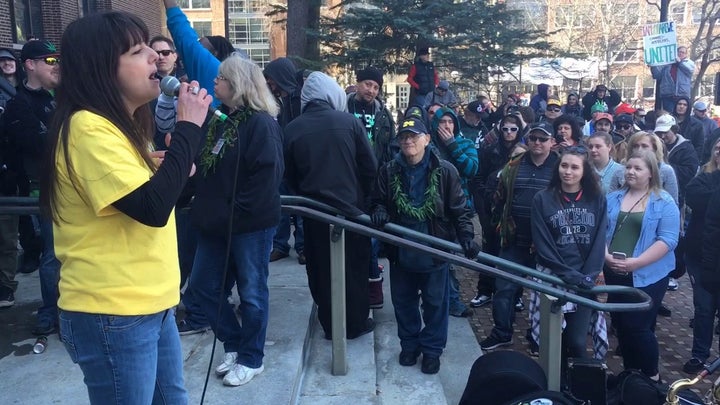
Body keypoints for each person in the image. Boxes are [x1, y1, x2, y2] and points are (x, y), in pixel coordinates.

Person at [43, 11, 210, 403]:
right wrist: (187, 127)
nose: (155, 57)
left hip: (153, 303)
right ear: (101, 68)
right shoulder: (87, 128)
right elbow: (151, 210)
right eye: (138, 51)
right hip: (113, 311)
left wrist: (174, 172)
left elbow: (159, 202)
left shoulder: (123, 127)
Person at [187, 55, 284, 387]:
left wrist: (232, 214)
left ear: (238, 84)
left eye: (221, 78)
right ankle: (234, 343)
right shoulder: (222, 119)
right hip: (215, 223)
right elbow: (208, 168)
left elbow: (265, 181)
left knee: (252, 293)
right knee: (201, 287)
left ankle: (252, 357)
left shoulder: (261, 123)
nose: (215, 83)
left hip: (248, 227)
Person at [370, 116, 479, 375]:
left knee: (434, 304)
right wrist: (379, 210)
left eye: (414, 136)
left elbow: (459, 210)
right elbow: (377, 200)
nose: (408, 141)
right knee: (404, 302)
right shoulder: (388, 170)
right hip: (401, 252)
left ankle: (431, 350)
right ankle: (409, 345)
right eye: (404, 137)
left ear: (427, 140)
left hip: (433, 252)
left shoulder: (445, 171)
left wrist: (466, 236)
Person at [284, 71, 378, 340]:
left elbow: (288, 175)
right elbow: (369, 167)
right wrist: (367, 201)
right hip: (352, 212)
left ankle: (330, 323)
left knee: (320, 268)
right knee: (355, 268)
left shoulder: (292, 128)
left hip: (313, 213)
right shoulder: (349, 122)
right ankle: (356, 322)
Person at [604, 150, 680, 382]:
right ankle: (631, 373)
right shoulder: (613, 198)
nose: (630, 172)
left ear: (651, 174)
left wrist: (636, 263)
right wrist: (606, 258)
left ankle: (651, 377)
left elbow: (668, 240)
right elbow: (599, 232)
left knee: (638, 327)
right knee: (621, 325)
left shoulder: (664, 201)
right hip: (614, 271)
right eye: (628, 167)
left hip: (648, 275)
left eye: (637, 168)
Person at [482, 122, 558, 350]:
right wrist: (498, 225)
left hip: (546, 243)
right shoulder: (514, 165)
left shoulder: (561, 167)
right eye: (533, 138)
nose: (537, 142)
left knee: (544, 294)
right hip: (514, 239)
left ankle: (538, 336)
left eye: (543, 139)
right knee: (504, 287)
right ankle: (502, 332)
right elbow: (498, 196)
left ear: (552, 142)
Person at [530, 146, 607, 369]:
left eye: (575, 167)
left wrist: (588, 276)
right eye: (564, 165)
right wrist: (569, 275)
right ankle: (557, 386)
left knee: (576, 340)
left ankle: (580, 389)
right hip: (554, 277)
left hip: (585, 280)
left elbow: (599, 240)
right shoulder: (543, 199)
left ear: (585, 171)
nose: (568, 172)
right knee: (554, 338)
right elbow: (543, 245)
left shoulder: (597, 199)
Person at [4, 39, 62, 334]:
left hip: (68, 187)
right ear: (30, 65)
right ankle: (51, 311)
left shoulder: (57, 97)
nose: (56, 65)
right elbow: (39, 146)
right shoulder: (18, 105)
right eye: (50, 61)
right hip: (44, 190)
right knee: (52, 254)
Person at [347, 65, 396, 309]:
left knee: (370, 235)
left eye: (376, 87)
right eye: (368, 84)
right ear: (358, 83)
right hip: (347, 179)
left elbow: (390, 148)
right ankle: (360, 283)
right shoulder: (343, 108)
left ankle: (373, 285)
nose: (372, 90)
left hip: (374, 180)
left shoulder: (383, 114)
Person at [469, 114, 524, 308]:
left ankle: (515, 294)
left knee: (513, 255)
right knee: (489, 250)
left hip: (513, 212)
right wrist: (486, 198)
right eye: (505, 129)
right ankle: (485, 290)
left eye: (513, 129)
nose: (509, 133)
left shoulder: (524, 153)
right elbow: (478, 178)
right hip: (491, 210)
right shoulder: (489, 150)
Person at [430, 106, 479, 318]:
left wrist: (452, 146)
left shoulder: (466, 143)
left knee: (449, 255)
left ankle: (453, 299)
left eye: (451, 122)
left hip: (458, 208)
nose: (447, 126)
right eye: (443, 122)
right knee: (439, 256)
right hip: (432, 209)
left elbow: (471, 169)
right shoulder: (428, 145)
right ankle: (440, 299)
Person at [683, 137, 720, 374]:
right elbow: (697, 200)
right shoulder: (702, 178)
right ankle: (699, 355)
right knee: (704, 308)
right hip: (700, 254)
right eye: (718, 148)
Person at [264, 57, 305, 264]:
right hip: (281, 158)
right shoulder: (275, 99)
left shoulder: (301, 97)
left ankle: (302, 246)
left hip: (299, 158)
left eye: (272, 82)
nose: (271, 86)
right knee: (280, 203)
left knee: (300, 205)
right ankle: (280, 244)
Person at [609, 131, 679, 204]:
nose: (639, 149)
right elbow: (610, 201)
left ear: (654, 149)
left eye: (644, 146)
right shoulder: (620, 171)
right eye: (635, 146)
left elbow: (673, 202)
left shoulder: (665, 170)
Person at [651, 46, 694, 113]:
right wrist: (653, 66)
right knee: (669, 115)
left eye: (683, 52)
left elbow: (689, 71)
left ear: (686, 54)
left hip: (682, 95)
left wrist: (679, 62)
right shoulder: (667, 64)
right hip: (668, 95)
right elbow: (657, 75)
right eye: (679, 52)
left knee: (681, 115)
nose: (680, 54)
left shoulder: (688, 62)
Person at [672, 97, 705, 161]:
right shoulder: (668, 121)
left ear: (688, 107)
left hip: (688, 159)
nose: (681, 106)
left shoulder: (697, 125)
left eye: (685, 105)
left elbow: (699, 146)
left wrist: (694, 160)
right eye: (679, 104)